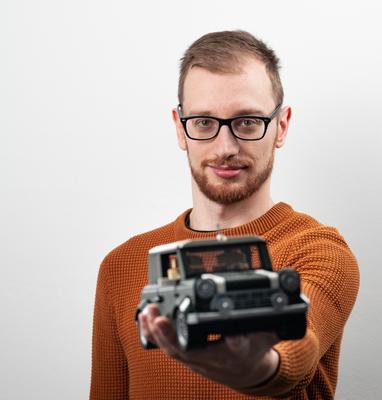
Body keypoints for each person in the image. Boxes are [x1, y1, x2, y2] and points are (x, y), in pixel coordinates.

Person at [89, 30, 359, 399]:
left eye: (247, 122)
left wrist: (258, 368)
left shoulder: (320, 251)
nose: (225, 147)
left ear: (281, 126)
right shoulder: (121, 267)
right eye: (204, 122)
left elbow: (300, 343)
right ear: (180, 128)